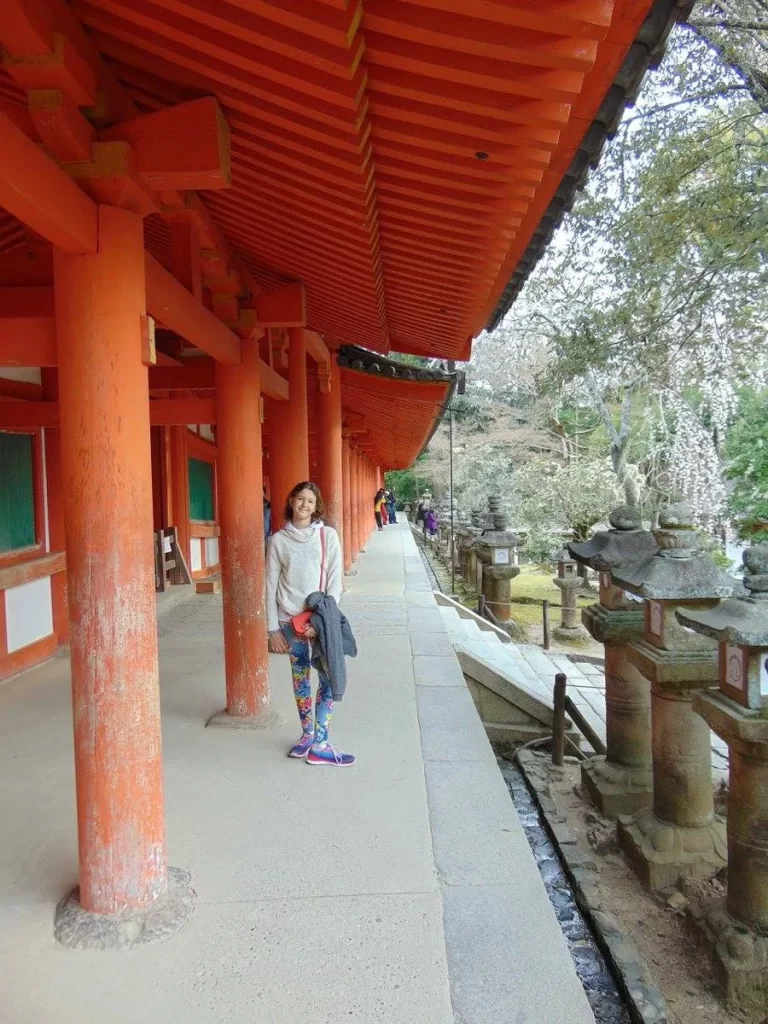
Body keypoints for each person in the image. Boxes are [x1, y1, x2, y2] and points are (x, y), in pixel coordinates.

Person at [266, 481, 354, 766]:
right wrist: (272, 630)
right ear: (291, 501)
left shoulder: (327, 536)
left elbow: (334, 582)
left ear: (317, 508)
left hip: (320, 623)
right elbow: (269, 587)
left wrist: (322, 622)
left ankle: (320, 740)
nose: (304, 505)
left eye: (311, 502)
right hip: (290, 623)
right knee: (300, 679)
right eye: (300, 499)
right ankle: (307, 736)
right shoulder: (278, 541)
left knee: (328, 678)